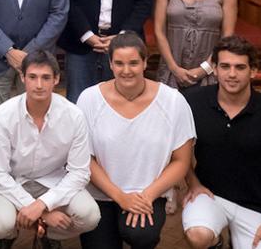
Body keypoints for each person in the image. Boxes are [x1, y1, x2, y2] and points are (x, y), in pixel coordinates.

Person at [76, 32, 195, 249]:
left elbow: (181, 161)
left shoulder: (173, 101)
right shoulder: (89, 99)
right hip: (101, 193)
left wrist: (147, 196)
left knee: (141, 235)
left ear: (145, 63)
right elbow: (85, 158)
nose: (126, 70)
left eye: (133, 63)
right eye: (119, 63)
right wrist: (120, 197)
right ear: (110, 64)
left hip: (148, 193)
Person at [182, 36, 261, 249]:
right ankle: (216, 244)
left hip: (253, 205)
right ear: (214, 69)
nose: (232, 74)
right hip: (208, 194)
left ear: (253, 71)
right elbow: (178, 153)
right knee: (199, 236)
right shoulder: (192, 102)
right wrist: (193, 183)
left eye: (240, 67)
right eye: (225, 66)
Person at [0, 51, 100, 249]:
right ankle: (10, 234)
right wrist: (44, 213)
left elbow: (80, 172)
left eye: (46, 78)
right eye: (32, 77)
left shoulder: (74, 115)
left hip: (53, 182)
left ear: (56, 79)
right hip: (13, 183)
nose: (39, 85)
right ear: (22, 78)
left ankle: (49, 234)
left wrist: (42, 205)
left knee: (90, 216)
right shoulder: (3, 114)